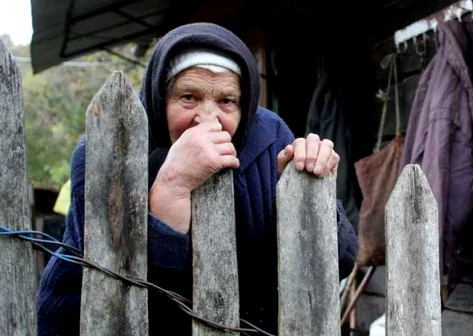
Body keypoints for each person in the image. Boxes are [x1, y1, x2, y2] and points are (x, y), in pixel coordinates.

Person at [36, 22, 358, 336]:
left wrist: (311, 193)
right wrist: (172, 184)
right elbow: (112, 283)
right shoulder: (106, 152)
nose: (208, 119)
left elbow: (337, 263)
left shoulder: (270, 139)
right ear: (160, 98)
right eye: (188, 96)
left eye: (226, 101)